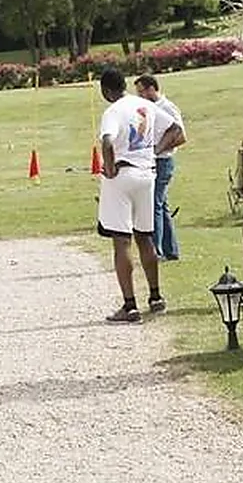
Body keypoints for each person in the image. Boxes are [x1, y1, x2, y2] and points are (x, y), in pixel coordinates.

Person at [96, 68, 184, 322]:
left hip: (122, 175)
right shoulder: (144, 104)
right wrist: (156, 149)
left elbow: (107, 142)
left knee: (121, 240)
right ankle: (155, 296)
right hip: (147, 173)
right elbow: (175, 128)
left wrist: (110, 168)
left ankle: (129, 304)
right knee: (145, 237)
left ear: (105, 90)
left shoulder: (112, 111)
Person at [134, 74, 186, 261]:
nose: (139, 96)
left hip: (162, 161)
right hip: (152, 161)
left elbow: (180, 136)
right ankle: (171, 250)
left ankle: (155, 251)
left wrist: (157, 150)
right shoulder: (147, 109)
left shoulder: (167, 108)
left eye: (141, 92)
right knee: (162, 206)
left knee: (153, 203)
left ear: (151, 89)